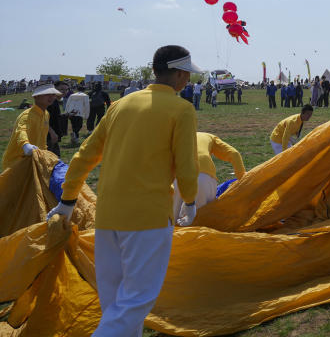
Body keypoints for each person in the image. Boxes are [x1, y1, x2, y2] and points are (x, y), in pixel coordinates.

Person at [47, 45, 201, 337]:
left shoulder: (120, 105)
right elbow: (186, 168)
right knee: (134, 303)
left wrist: (68, 199)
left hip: (108, 218)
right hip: (148, 220)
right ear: (180, 74)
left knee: (115, 304)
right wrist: (190, 203)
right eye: (187, 75)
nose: (188, 81)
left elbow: (84, 155)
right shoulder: (181, 109)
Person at [173, 131, 245, 215]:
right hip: (204, 178)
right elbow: (234, 154)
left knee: (174, 221)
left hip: (178, 177)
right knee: (202, 218)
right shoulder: (209, 137)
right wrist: (242, 177)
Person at [2, 84, 61, 171]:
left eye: (53, 94)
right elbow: (21, 131)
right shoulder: (27, 115)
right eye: (47, 94)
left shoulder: (46, 114)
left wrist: (51, 134)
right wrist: (26, 145)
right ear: (36, 97)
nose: (51, 97)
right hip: (17, 162)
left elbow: (42, 134)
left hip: (34, 160)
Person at [46, 80, 69, 156]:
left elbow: (53, 117)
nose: (64, 91)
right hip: (48, 136)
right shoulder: (51, 102)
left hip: (52, 135)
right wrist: (52, 133)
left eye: (66, 89)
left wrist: (66, 115)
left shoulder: (55, 101)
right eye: (62, 89)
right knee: (51, 158)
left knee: (55, 158)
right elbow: (43, 119)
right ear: (54, 89)